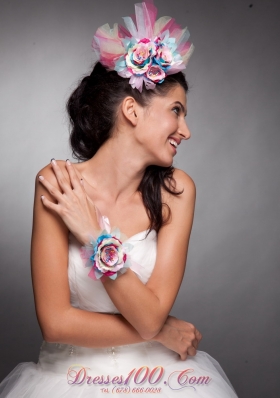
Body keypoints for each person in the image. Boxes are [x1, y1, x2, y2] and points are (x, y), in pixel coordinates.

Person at [0, 1, 238, 397]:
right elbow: (56, 323)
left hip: (160, 382)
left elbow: (151, 314)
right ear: (132, 110)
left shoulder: (177, 192)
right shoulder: (56, 183)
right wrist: (162, 331)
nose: (186, 130)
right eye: (176, 111)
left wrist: (94, 235)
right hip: (70, 378)